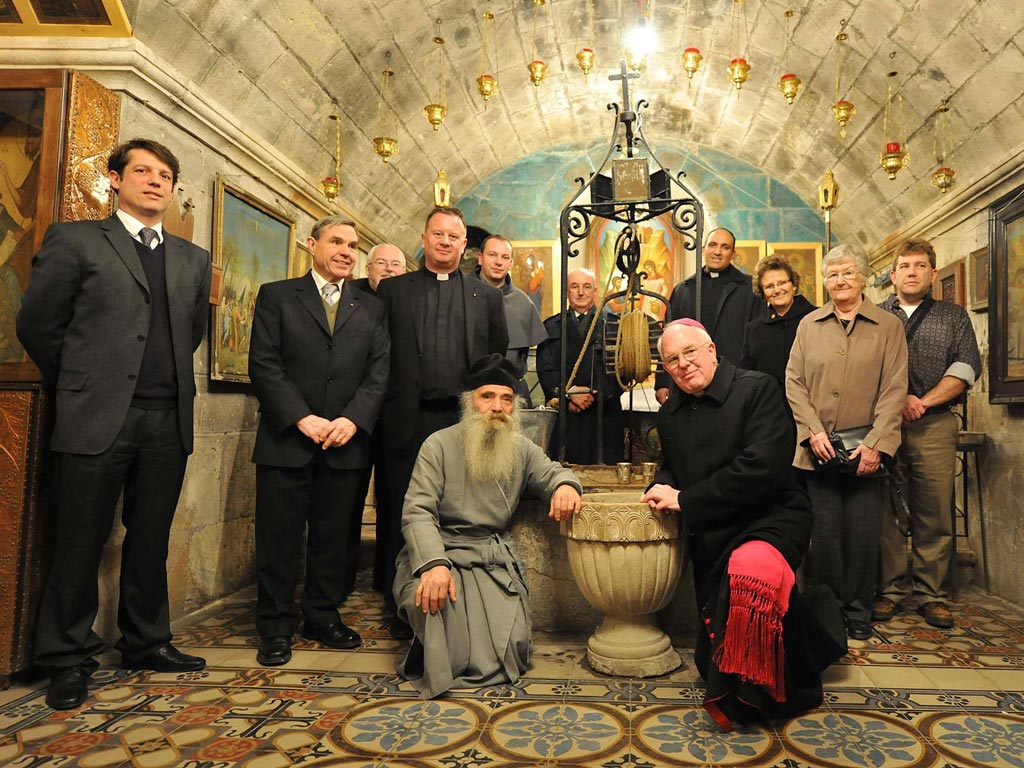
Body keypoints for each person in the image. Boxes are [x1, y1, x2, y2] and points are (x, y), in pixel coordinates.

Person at [16, 138, 212, 710]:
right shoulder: (77, 240)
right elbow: (39, 325)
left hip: (166, 419)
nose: (156, 182)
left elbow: (191, 332)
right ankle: (65, 656)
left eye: (165, 175)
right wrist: (84, 378)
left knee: (149, 539)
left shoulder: (191, 259)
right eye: (143, 171)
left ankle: (146, 641)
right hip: (96, 415)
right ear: (116, 180)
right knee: (78, 541)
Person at [642, 320, 842, 730]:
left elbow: (762, 469)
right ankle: (816, 629)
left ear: (712, 349)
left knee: (750, 577)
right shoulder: (671, 412)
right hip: (715, 525)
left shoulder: (758, 389)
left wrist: (685, 500)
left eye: (691, 352)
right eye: (672, 360)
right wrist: (662, 484)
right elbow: (673, 466)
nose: (683, 364)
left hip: (770, 515)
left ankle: (766, 695)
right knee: (708, 660)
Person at [394, 354, 582, 698]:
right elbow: (418, 510)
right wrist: (433, 565)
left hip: (492, 560)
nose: (497, 407)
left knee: (511, 647)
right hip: (440, 553)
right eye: (488, 397)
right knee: (447, 641)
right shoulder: (437, 445)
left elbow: (553, 472)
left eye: (507, 399)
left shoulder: (521, 448)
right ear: (470, 402)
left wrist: (565, 486)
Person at [247, 215, 389, 666]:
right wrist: (301, 418)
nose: (347, 251)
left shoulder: (371, 308)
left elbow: (379, 372)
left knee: (333, 537)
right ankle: (274, 625)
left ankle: (323, 617)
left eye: (353, 244)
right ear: (313, 244)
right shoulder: (277, 296)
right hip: (287, 441)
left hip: (346, 443)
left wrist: (353, 419)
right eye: (337, 241)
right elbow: (264, 364)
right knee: (279, 538)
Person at [375, 206, 508, 639]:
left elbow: (496, 360)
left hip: (461, 424)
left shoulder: (486, 297)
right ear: (425, 237)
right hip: (405, 418)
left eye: (454, 236)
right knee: (399, 506)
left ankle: (455, 592)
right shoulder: (393, 292)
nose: (446, 242)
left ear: (464, 243)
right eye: (438, 234)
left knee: (456, 508)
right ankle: (400, 600)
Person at [786, 243, 908, 641]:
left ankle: (858, 610)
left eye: (847, 273)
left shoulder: (888, 327)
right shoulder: (809, 325)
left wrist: (876, 443)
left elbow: (895, 389)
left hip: (866, 448)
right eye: (832, 274)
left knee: (862, 533)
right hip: (820, 448)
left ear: (862, 277)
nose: (839, 281)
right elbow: (794, 382)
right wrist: (812, 431)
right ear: (824, 281)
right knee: (824, 536)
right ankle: (828, 612)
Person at [873, 239, 981, 629]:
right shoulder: (876, 315)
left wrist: (922, 401)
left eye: (920, 265)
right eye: (905, 265)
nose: (912, 272)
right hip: (883, 424)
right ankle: (888, 590)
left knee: (934, 509)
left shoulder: (954, 317)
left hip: (934, 423)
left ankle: (930, 594)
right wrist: (898, 401)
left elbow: (967, 367)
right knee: (886, 510)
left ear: (933, 273)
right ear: (893, 274)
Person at [346, 242, 406, 597]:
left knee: (391, 497)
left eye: (395, 264)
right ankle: (341, 576)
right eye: (380, 262)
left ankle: (388, 576)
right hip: (351, 412)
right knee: (348, 499)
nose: (387, 268)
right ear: (367, 269)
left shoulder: (407, 299)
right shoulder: (350, 295)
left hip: (392, 412)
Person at [656, 228, 761, 403]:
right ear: (704, 249)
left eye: (725, 247)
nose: (717, 252)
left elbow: (758, 340)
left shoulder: (750, 289)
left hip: (736, 381)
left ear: (733, 253)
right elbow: (666, 339)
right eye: (713, 245)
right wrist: (662, 382)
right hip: (689, 380)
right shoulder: (684, 289)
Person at [536, 267, 624, 464]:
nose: (581, 292)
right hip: (567, 415)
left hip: (604, 416)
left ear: (595, 291)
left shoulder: (614, 326)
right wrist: (570, 393)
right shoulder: (551, 326)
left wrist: (593, 395)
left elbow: (623, 371)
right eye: (574, 286)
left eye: (586, 286)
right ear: (567, 292)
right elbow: (546, 369)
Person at [472, 234, 546, 405]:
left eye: (505, 257)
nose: (499, 262)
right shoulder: (461, 294)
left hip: (512, 393)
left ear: (511, 263)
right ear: (480, 258)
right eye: (492, 255)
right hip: (471, 392)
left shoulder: (524, 303)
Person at [740, 255, 817, 393]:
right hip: (767, 408)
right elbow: (748, 376)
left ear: (793, 285)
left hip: (809, 405)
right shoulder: (753, 329)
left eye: (782, 283)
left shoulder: (816, 319)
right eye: (769, 286)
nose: (777, 290)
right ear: (763, 293)